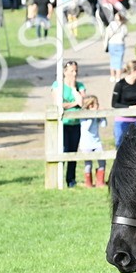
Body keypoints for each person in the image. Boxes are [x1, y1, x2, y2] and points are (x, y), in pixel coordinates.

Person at [52, 60, 86, 188]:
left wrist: (73, 89)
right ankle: (58, 177)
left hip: (76, 124)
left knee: (73, 152)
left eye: (76, 70)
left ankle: (71, 179)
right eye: (72, 71)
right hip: (63, 124)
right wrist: (74, 104)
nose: (74, 73)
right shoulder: (57, 85)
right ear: (65, 72)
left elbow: (82, 102)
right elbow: (58, 104)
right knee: (63, 150)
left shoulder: (79, 85)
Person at [112, 59, 136, 146]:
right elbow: (114, 104)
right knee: (120, 146)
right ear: (134, 70)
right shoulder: (120, 84)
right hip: (122, 120)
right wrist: (129, 108)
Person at [80, 94, 108, 187]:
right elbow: (86, 127)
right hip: (86, 144)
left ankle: (100, 181)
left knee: (102, 161)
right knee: (88, 164)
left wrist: (102, 116)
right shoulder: (83, 116)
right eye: (97, 104)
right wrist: (92, 115)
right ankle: (88, 183)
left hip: (96, 142)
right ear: (91, 105)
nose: (98, 106)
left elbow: (104, 125)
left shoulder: (96, 115)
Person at [104, 11, 129, 82]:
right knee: (119, 61)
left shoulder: (111, 24)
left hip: (112, 43)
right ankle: (118, 76)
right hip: (120, 44)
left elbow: (107, 33)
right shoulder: (123, 25)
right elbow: (125, 33)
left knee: (112, 59)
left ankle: (112, 76)